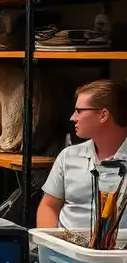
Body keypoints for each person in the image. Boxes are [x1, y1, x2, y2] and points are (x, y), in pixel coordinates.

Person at [38, 79, 127, 230]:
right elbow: (49, 206)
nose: (73, 117)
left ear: (103, 115)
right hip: (65, 249)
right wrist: (50, 243)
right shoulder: (68, 156)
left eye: (79, 110)